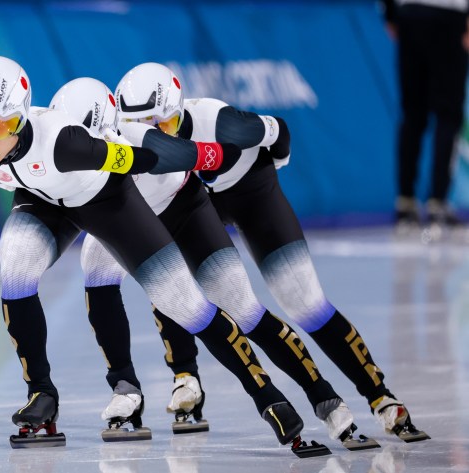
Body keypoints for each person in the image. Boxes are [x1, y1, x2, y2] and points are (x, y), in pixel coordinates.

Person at [0, 55, 328, 456]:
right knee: (16, 264)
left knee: (188, 306)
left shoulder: (69, 144)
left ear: (21, 117)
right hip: (42, 201)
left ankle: (267, 396)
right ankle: (41, 393)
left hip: (105, 201)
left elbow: (144, 157)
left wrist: (209, 156)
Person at [107, 62, 428, 443]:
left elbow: (278, 130)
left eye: (167, 126)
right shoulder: (132, 141)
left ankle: (380, 396)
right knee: (171, 277)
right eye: (145, 126)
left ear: (181, 110)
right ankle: (185, 376)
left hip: (250, 196)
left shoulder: (218, 120)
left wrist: (275, 159)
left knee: (305, 303)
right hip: (194, 201)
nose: (158, 137)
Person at [50, 77, 376, 451]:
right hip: (129, 218)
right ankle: (128, 386)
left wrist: (238, 152)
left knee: (243, 310)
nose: (82, 158)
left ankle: (322, 395)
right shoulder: (48, 147)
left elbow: (218, 156)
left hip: (185, 212)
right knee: (99, 268)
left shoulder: (143, 142)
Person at [381, 0, 469, 228]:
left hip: (410, 14)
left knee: (413, 114)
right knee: (448, 115)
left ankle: (405, 203)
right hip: (448, 16)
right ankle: (437, 202)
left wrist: (391, 14)